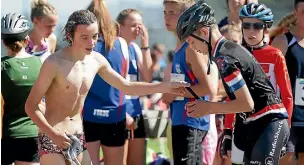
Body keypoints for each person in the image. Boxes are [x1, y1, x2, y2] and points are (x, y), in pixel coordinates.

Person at [25, 9, 189, 165]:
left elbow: (127, 87)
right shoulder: (53, 63)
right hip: (52, 135)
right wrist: (53, 134)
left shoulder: (96, 60)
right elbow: (31, 106)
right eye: (84, 37)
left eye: (95, 36)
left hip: (78, 137)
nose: (92, 42)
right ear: (70, 35)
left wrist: (166, 87)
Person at [177, 1, 290, 164]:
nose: (193, 48)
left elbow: (246, 103)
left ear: (203, 32)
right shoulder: (225, 50)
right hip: (257, 122)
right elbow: (236, 98)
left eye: (192, 42)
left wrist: (208, 107)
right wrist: (229, 130)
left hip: (269, 121)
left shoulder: (225, 57)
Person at [221, 3, 294, 164]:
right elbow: (231, 97)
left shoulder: (275, 55)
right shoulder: (235, 55)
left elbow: (287, 96)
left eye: (257, 26)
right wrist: (227, 131)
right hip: (243, 122)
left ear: (266, 28)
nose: (251, 31)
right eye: (246, 26)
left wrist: (286, 130)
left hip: (269, 122)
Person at [162, 0, 219, 164]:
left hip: (192, 122)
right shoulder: (180, 46)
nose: (167, 17)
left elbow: (207, 87)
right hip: (181, 120)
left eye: (172, 13)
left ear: (185, 16)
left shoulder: (192, 47)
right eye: (165, 12)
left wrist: (173, 92)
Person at [1, 13, 42, 165]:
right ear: (26, 40)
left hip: (7, 135)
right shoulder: (39, 64)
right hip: (32, 134)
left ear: (4, 41)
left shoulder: (3, 65)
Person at [117, 8, 153, 165]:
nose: (138, 30)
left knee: (138, 161)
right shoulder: (114, 49)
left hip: (136, 110)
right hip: (119, 111)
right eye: (133, 25)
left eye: (140, 25)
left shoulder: (135, 48)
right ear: (120, 27)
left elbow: (148, 77)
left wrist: (145, 46)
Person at [271, 0, 304, 164]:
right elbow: (269, 79)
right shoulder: (283, 41)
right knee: (285, 158)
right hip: (287, 116)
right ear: (296, 13)